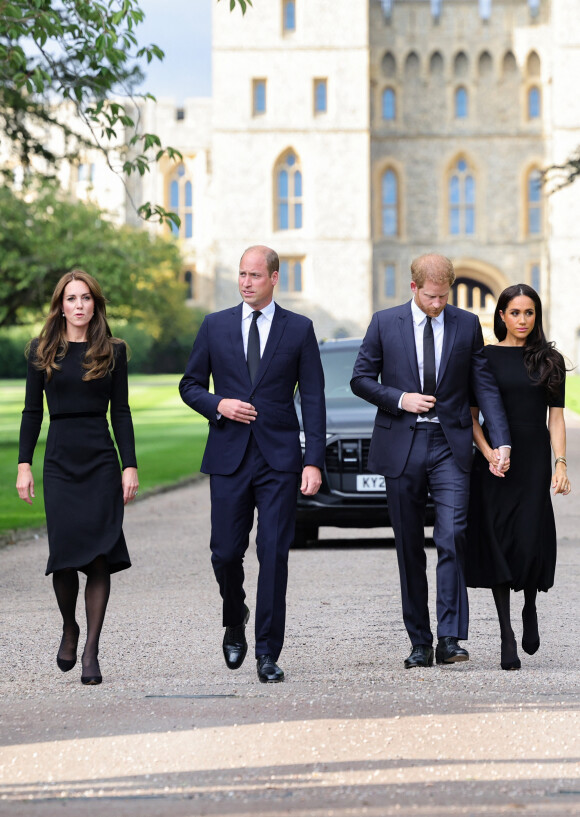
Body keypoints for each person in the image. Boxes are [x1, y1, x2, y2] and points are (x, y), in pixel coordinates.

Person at [351, 254, 511, 669]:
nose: (438, 303)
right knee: (408, 546)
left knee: (453, 536)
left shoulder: (466, 324)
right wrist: (401, 399)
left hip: (450, 444)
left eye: (444, 296)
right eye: (430, 296)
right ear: (413, 288)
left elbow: (485, 387)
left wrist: (501, 440)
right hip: (401, 442)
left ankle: (450, 639)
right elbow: (361, 379)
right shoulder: (385, 323)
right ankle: (419, 642)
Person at [179, 245, 326, 683]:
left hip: (279, 459)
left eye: (255, 275)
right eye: (241, 274)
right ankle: (234, 613)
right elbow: (189, 385)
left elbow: (315, 399)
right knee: (225, 553)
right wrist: (218, 403)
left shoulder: (299, 329)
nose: (245, 282)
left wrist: (312, 461)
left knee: (273, 554)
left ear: (274, 278)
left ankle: (267, 652)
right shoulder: (215, 325)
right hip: (228, 457)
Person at [16, 270, 138, 686]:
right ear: (61, 305)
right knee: (65, 558)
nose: (79, 305)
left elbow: (120, 412)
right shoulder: (41, 350)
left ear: (95, 303)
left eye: (86, 298)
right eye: (71, 298)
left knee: (99, 555)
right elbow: (32, 412)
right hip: (60, 461)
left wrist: (129, 465)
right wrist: (23, 464)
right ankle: (70, 626)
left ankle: (91, 649)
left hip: (100, 460)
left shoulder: (114, 351)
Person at [466, 284, 570, 670]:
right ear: (502, 316)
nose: (522, 320)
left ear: (536, 316)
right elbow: (472, 416)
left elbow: (556, 418)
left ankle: (529, 606)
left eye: (529, 313)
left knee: (528, 536)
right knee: (498, 537)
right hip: (494, 460)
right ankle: (506, 633)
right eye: (515, 313)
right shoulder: (485, 358)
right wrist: (488, 451)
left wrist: (561, 462)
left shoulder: (550, 360)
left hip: (532, 460)